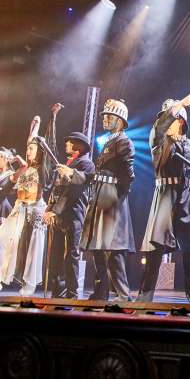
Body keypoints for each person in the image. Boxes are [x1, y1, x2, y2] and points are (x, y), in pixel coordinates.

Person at [58, 98, 135, 302]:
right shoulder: (109, 142)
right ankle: (101, 292)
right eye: (105, 116)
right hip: (100, 197)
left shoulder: (123, 141)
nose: (105, 119)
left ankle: (122, 294)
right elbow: (94, 176)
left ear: (119, 119)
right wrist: (73, 175)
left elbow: (128, 175)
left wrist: (117, 197)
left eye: (109, 116)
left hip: (110, 199)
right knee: (98, 249)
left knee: (112, 249)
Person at [137, 95, 190, 302]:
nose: (166, 121)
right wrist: (180, 104)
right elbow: (160, 124)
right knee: (155, 252)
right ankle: (144, 298)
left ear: (181, 121)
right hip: (165, 198)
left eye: (172, 118)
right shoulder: (158, 140)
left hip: (187, 200)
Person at [43, 102, 95, 298]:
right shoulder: (66, 164)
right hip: (58, 214)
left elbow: (73, 191)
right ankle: (58, 290)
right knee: (55, 254)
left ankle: (72, 293)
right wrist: (49, 209)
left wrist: (70, 174)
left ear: (78, 146)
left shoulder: (86, 164)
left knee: (71, 254)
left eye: (69, 141)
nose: (66, 144)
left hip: (73, 214)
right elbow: (56, 190)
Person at [0, 116, 49, 296]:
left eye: (31, 148)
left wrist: (50, 119)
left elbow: (46, 142)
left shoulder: (42, 169)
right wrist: (33, 127)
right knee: (3, 237)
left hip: (35, 208)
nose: (28, 151)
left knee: (33, 247)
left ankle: (29, 284)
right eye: (27, 148)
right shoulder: (25, 169)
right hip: (19, 207)